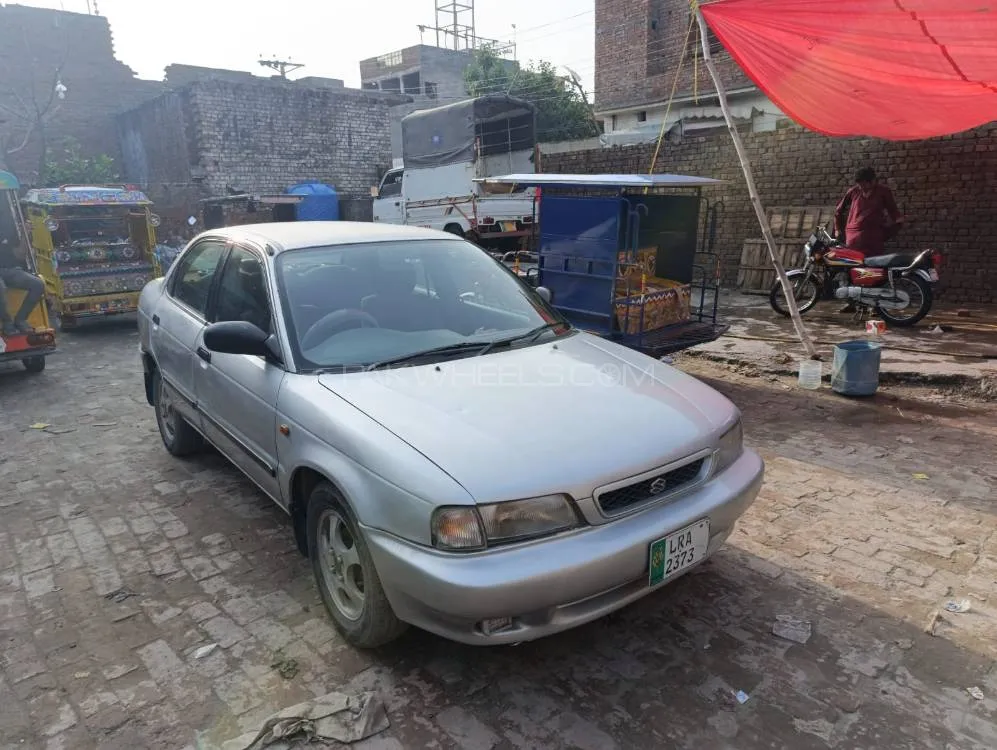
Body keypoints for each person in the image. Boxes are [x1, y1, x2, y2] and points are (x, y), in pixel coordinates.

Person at [834, 167, 904, 312]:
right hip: (853, 238)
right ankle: (852, 302)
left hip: (873, 238)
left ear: (873, 181)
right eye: (860, 184)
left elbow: (893, 212)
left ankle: (874, 305)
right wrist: (838, 229)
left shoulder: (883, 192)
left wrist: (894, 227)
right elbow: (839, 211)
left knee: (875, 271)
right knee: (851, 269)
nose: (862, 187)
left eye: (865, 184)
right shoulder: (853, 192)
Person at [0, 230, 45, 336]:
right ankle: (7, 322)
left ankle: (21, 319)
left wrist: (26, 234)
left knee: (38, 284)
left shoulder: (5, 233)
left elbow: (20, 255)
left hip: (11, 270)